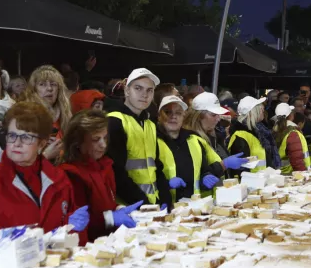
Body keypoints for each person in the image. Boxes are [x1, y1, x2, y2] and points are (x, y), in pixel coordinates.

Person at [0, 102, 89, 236]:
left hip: (55, 255)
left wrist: (71, 227)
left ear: (42, 144)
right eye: (12, 135)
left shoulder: (59, 179)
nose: (17, 143)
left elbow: (72, 232)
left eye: (26, 137)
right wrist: (3, 237)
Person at [60, 110, 142, 242]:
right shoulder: (71, 174)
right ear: (78, 143)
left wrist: (119, 209)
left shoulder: (105, 165)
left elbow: (104, 204)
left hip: (110, 241)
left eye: (105, 138)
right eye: (95, 139)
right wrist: (111, 218)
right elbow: (80, 221)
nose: (103, 145)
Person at [106, 68, 172, 207]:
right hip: (128, 206)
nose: (144, 95)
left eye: (149, 90)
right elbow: (116, 172)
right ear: (127, 91)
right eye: (138, 88)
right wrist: (143, 203)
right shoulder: (114, 122)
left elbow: (156, 166)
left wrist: (165, 199)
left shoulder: (149, 124)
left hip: (152, 204)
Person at [156, 95, 225, 201]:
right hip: (163, 207)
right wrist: (166, 184)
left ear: (183, 116)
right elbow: (144, 177)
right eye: (168, 112)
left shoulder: (194, 140)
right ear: (159, 116)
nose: (173, 116)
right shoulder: (152, 141)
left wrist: (205, 177)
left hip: (192, 207)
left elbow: (203, 170)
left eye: (178, 113)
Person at [23, 65, 71, 162]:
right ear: (34, 89)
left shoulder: (66, 115)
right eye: (42, 84)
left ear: (59, 89)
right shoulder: (25, 116)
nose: (49, 88)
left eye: (53, 84)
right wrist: (45, 154)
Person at [229, 96, 282, 171]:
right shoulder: (241, 135)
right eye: (260, 108)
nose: (263, 110)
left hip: (263, 179)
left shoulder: (260, 131)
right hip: (252, 181)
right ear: (253, 112)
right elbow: (241, 168)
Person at [186, 92, 231, 160]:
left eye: (218, 114)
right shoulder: (189, 141)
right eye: (213, 115)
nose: (218, 119)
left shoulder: (214, 136)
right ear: (199, 116)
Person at [273, 103, 310, 173]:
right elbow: (297, 159)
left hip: (280, 173)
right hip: (291, 175)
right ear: (291, 115)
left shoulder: (275, 130)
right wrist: (303, 175)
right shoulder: (293, 133)